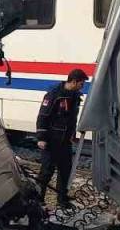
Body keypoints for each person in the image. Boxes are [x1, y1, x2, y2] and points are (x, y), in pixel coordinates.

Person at [35, 68, 89, 209]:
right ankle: (38, 199)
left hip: (64, 141)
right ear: (73, 81)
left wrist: (72, 135)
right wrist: (41, 137)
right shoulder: (54, 95)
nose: (82, 87)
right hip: (51, 141)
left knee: (65, 170)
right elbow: (42, 117)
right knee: (47, 171)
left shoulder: (75, 97)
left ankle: (62, 199)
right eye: (81, 84)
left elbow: (71, 119)